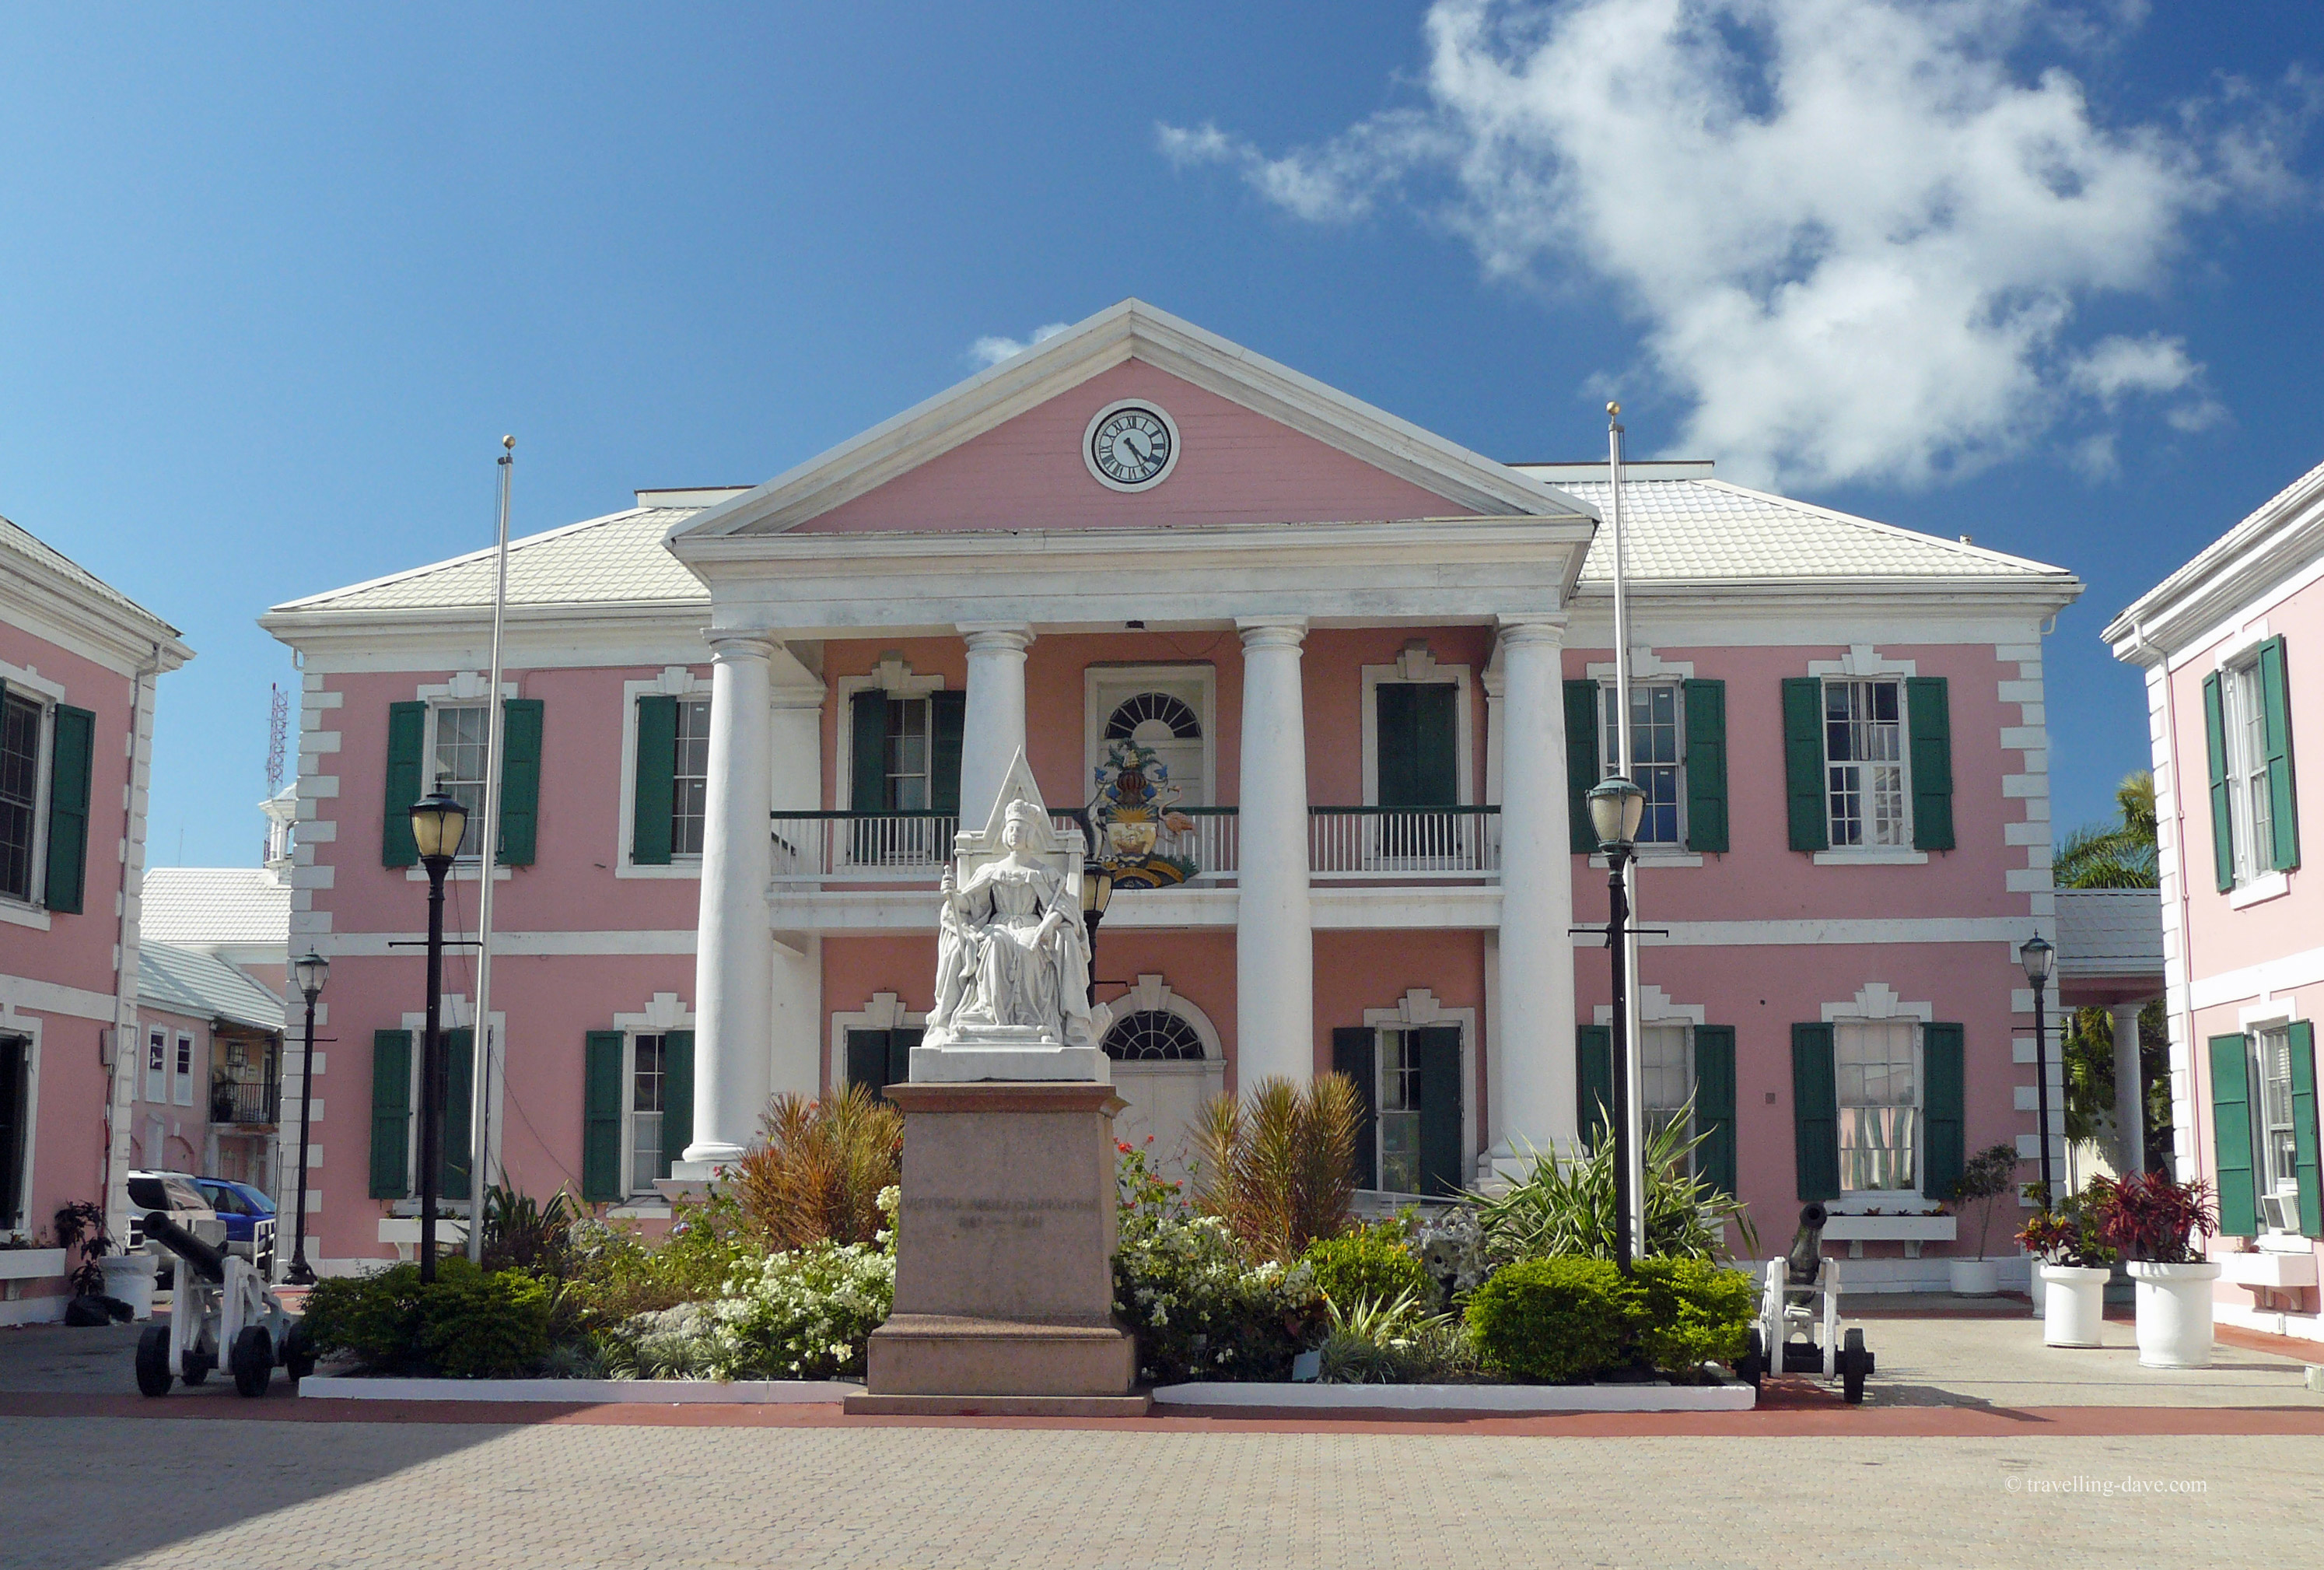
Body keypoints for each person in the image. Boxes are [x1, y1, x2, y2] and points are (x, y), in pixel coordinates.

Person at [928, 797, 1096, 1050]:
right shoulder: (991, 870)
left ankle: (1031, 1019)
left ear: (1030, 834)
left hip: (1032, 925)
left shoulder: (1045, 873)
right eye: (1012, 828)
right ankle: (995, 1017)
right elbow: (970, 903)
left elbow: (1064, 905)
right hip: (999, 924)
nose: (1015, 833)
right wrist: (953, 894)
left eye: (1020, 829)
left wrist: (1049, 924)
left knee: (1030, 948)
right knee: (995, 944)